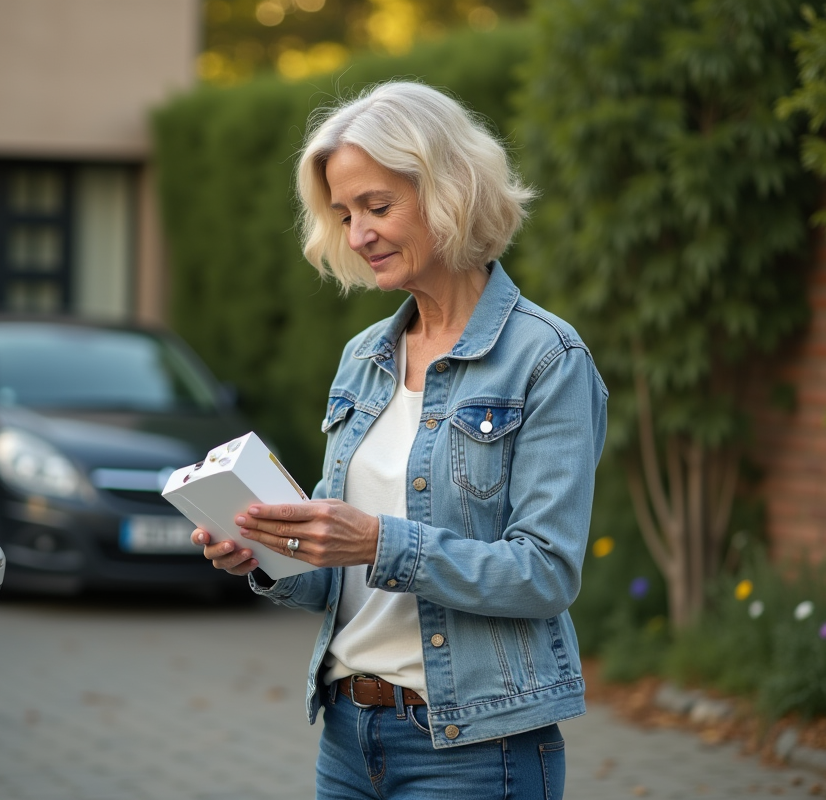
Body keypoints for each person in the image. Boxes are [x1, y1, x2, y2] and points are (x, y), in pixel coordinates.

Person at [192, 81, 607, 800]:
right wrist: (265, 552)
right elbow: (334, 578)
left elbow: (545, 574)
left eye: (378, 207)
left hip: (479, 750)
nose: (357, 235)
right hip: (349, 740)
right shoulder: (364, 360)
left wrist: (380, 544)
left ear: (450, 190)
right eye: (345, 213)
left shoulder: (547, 359)